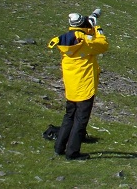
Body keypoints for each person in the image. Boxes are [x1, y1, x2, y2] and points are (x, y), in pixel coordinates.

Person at [48, 9, 109, 160]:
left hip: (71, 86)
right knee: (81, 120)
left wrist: (87, 25)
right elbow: (103, 45)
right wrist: (98, 30)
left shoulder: (63, 40)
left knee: (69, 116)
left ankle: (59, 147)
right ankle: (72, 153)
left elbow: (79, 34)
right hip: (85, 86)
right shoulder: (85, 42)